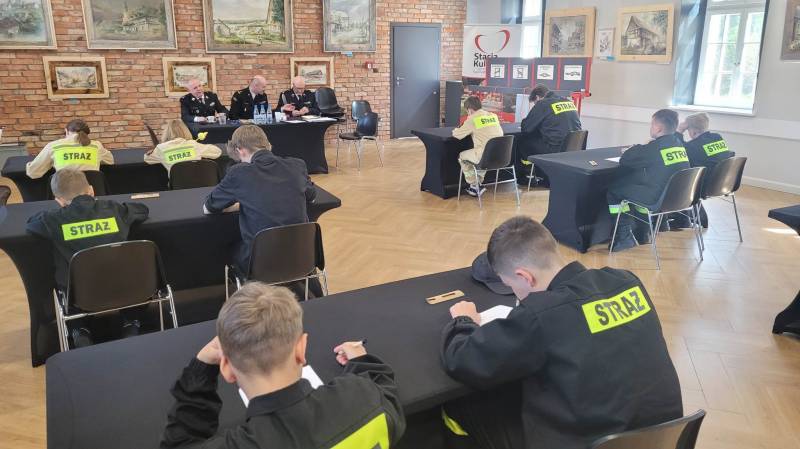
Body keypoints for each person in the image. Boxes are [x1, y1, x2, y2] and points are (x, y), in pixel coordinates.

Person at [440, 216, 683, 449]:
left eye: (511, 285)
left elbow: (462, 360)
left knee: (460, 407)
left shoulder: (540, 314)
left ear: (525, 277)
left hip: (591, 442)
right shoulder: (628, 281)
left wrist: (464, 320)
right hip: (661, 440)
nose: (515, 293)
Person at [160, 282, 406, 449]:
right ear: (301, 348)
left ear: (226, 369)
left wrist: (202, 370)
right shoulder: (365, 398)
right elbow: (385, 388)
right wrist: (361, 361)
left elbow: (180, 442)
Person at [25, 169, 149, 347]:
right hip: (124, 288)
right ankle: (131, 322)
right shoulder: (113, 209)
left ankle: (79, 329)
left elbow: (31, 225)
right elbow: (142, 210)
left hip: (80, 295)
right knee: (125, 271)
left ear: (59, 200)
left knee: (63, 273)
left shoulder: (52, 220)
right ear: (91, 190)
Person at [203, 125, 316, 275]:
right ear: (268, 145)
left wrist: (240, 205)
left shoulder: (239, 173)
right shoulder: (297, 165)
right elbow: (312, 197)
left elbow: (208, 208)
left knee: (230, 246)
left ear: (240, 150)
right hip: (303, 257)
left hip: (260, 262)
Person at [606, 109, 690, 251]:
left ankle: (624, 237)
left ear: (658, 128)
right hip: (678, 198)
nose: (651, 127)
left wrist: (640, 147)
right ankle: (644, 233)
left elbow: (626, 159)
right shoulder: (678, 144)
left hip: (658, 199)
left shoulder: (655, 147)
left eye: (652, 124)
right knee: (643, 187)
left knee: (614, 191)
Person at [675, 113, 734, 229]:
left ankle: (682, 219)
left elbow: (677, 149)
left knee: (677, 180)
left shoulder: (693, 146)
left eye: (688, 130)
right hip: (724, 183)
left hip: (704, 187)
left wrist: (679, 131)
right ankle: (694, 215)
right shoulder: (717, 137)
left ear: (693, 131)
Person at [518, 85, 582, 184]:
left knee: (523, 141)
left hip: (555, 149)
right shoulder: (568, 102)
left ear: (538, 97)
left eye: (535, 103)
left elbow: (526, 128)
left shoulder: (543, 104)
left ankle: (528, 177)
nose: (535, 105)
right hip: (574, 147)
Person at [26, 119, 114, 179]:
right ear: (86, 133)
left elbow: (33, 172)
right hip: (92, 194)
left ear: (66, 131)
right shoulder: (96, 146)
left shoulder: (54, 146)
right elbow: (110, 160)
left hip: (65, 196)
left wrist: (51, 163)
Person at [452, 96, 504, 197]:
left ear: (470, 109)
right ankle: (478, 183)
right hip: (500, 156)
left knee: (462, 156)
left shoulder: (473, 119)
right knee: (480, 156)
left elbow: (457, 135)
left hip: (484, 156)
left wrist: (456, 129)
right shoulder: (493, 116)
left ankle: (474, 185)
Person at [144, 119, 222, 174]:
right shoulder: (193, 145)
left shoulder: (161, 148)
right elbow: (217, 152)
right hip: (200, 185)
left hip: (177, 186)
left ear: (166, 133)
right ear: (185, 131)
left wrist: (154, 151)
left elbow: (148, 159)